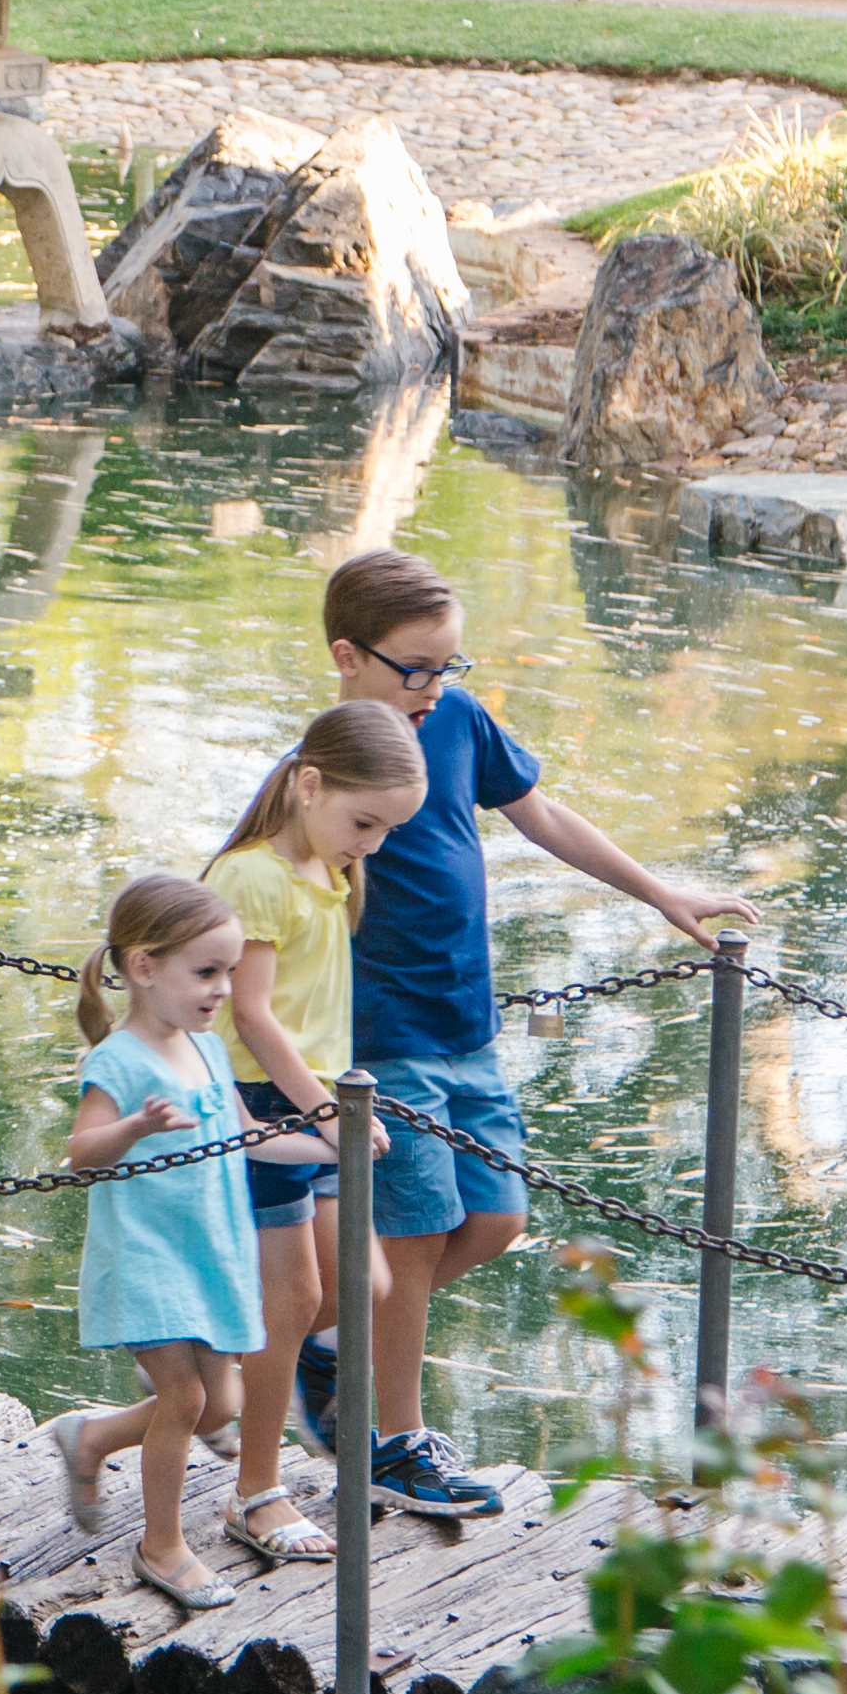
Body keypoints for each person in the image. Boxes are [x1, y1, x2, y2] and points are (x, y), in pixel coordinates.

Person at [303, 551, 757, 1515]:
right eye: (415, 668)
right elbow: (268, 888)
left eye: (450, 665)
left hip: (469, 1028)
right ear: (349, 657)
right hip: (382, 1039)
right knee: (415, 1236)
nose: (434, 687)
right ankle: (392, 1441)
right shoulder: (325, 766)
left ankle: (325, 1335)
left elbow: (539, 813)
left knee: (496, 1219)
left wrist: (660, 891)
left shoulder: (459, 723)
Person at [203, 704, 430, 1554]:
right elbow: (255, 1018)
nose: (371, 843)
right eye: (362, 821)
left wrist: (333, 1103)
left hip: (318, 1100)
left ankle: (226, 1375)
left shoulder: (330, 872)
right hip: (269, 1104)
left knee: (359, 1287)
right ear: (308, 785)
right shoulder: (254, 878)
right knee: (293, 1299)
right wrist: (326, 1113)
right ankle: (256, 1493)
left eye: (386, 831)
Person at [39, 872, 284, 1611]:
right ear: (144, 968)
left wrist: (334, 1144)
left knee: (220, 1406)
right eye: (205, 972)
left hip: (211, 1250)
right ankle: (163, 1547)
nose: (221, 989)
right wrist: (137, 1128)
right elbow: (82, 1152)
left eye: (229, 973)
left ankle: (93, 1438)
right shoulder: (118, 1061)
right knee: (182, 1400)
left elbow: (246, 1136)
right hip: (148, 1254)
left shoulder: (206, 1050)